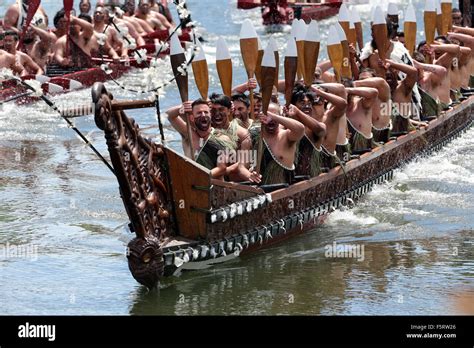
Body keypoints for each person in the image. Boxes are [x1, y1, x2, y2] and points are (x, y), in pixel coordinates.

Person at [168, 99, 261, 183]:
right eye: (199, 113)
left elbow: (221, 168)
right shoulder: (188, 135)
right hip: (192, 186)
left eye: (205, 112)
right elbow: (170, 116)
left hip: (215, 188)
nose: (203, 115)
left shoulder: (222, 139)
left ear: (210, 115)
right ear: (192, 118)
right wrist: (181, 108)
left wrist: (200, 177)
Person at [254, 102, 305, 185]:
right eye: (266, 116)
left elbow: (301, 129)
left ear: (279, 117)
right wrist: (249, 174)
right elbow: (241, 166)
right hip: (260, 189)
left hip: (283, 189)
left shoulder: (287, 136)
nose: (270, 120)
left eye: (273, 116)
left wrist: (271, 115)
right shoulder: (255, 136)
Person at [287, 84, 326, 178]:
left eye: (309, 103)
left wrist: (297, 112)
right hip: (287, 180)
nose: (307, 106)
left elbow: (320, 131)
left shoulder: (319, 126)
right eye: (302, 103)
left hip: (310, 178)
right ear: (292, 105)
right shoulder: (284, 127)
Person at [54, 14, 120, 68]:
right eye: (70, 25)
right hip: (70, 70)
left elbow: (90, 27)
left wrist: (115, 55)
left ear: (80, 26)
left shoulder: (85, 36)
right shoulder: (61, 41)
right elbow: (57, 55)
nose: (72, 26)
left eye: (75, 24)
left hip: (88, 68)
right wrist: (62, 61)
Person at [383, 59, 420, 134]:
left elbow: (413, 72)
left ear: (397, 71)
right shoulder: (379, 91)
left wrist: (392, 64)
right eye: (385, 70)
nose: (388, 73)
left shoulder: (403, 88)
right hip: (385, 138)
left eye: (391, 70)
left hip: (402, 134)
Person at [354, 71, 392, 144]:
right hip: (364, 142)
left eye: (366, 80)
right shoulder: (356, 100)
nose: (363, 82)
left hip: (384, 137)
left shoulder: (383, 96)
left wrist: (355, 83)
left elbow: (381, 82)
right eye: (361, 79)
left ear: (374, 81)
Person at [345, 77, 379, 153]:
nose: (346, 96)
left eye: (348, 94)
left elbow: (374, 93)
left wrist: (348, 90)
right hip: (345, 151)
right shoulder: (332, 107)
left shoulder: (362, 104)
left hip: (364, 149)